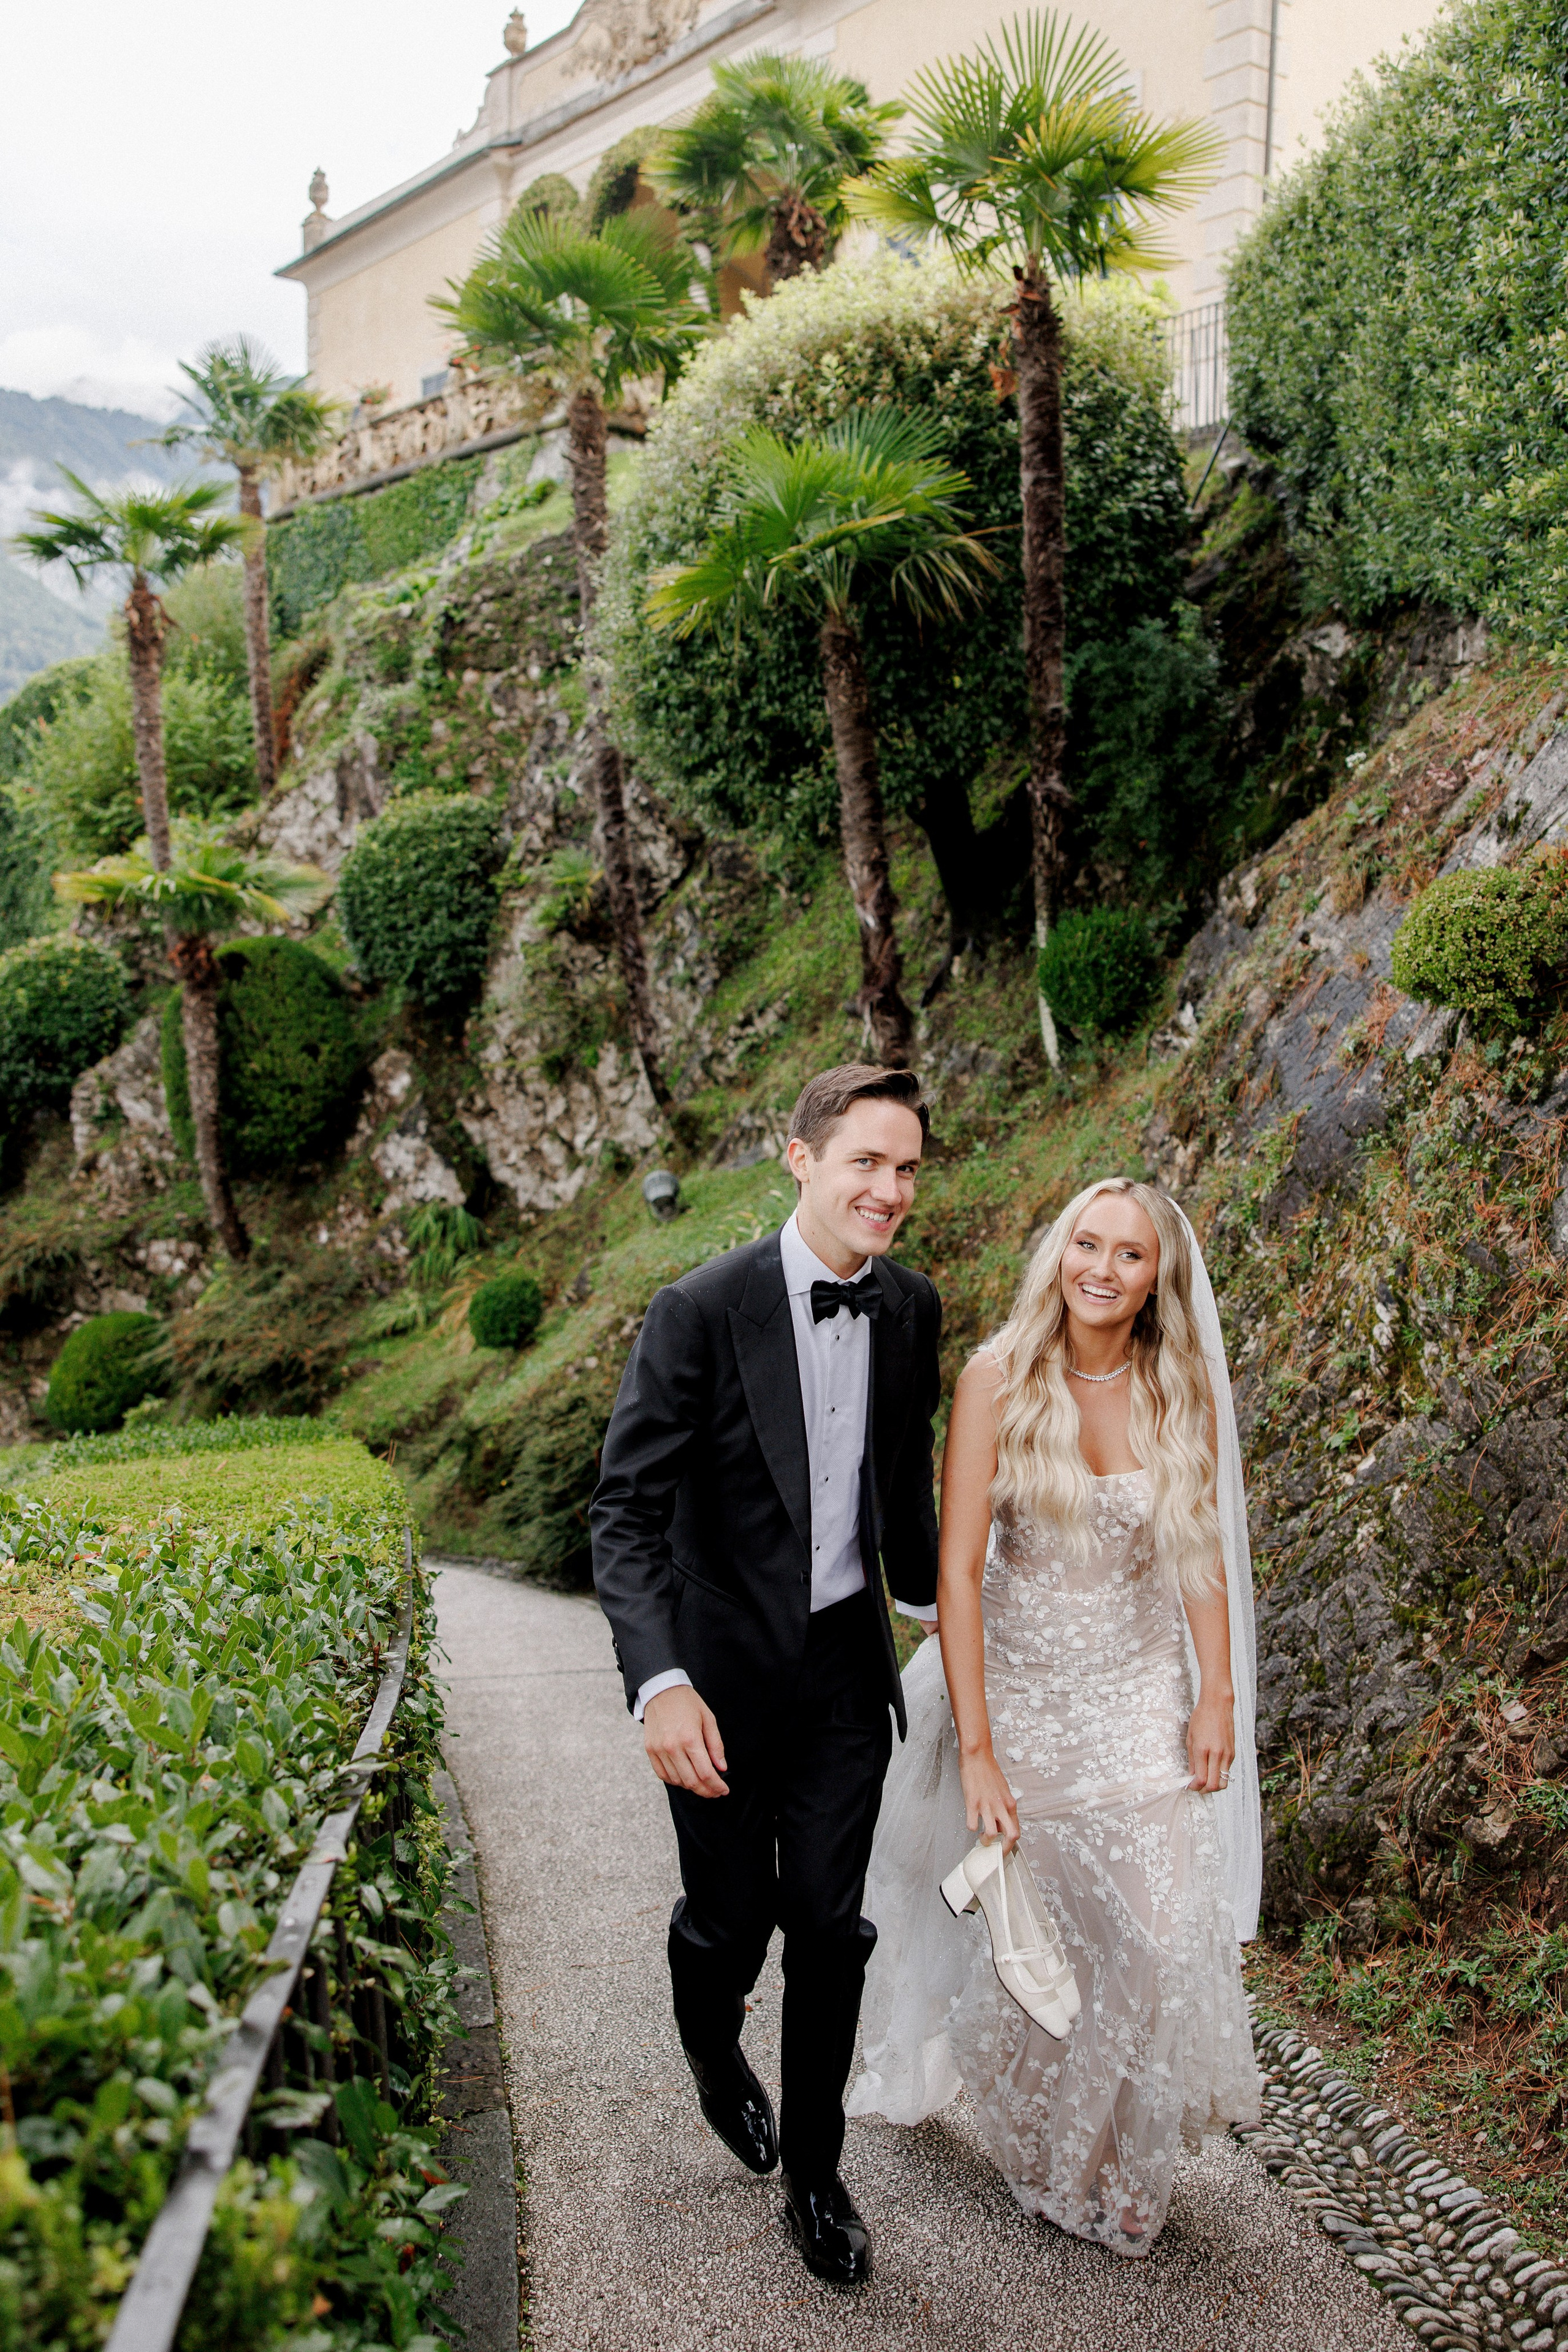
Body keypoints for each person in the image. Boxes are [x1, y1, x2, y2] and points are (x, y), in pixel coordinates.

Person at [849, 1177, 1263, 2253]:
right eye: (1089, 1244)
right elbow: (955, 1575)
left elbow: (1198, 1556)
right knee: (1048, 1944)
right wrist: (977, 1751)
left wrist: (1215, 1693)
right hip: (1022, 1696)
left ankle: (1101, 2158)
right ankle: (1043, 2144)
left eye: (1130, 1255)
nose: (1104, 1269)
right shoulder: (997, 1378)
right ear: (1059, 1251)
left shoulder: (1180, 1388)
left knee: (1154, 1938)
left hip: (1139, 1695)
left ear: (1157, 1276)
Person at [590, 1064, 943, 2288]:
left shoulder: (912, 1308)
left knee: (832, 1928)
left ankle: (814, 2171)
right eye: (865, 1161)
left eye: (905, 1167)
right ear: (799, 1158)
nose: (888, 1189)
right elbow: (625, 1512)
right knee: (730, 1919)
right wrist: (659, 1681)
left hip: (848, 1676)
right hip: (722, 1681)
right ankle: (707, 2037)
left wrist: (953, 1610)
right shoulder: (699, 1306)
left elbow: (902, 1489)